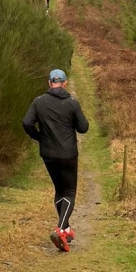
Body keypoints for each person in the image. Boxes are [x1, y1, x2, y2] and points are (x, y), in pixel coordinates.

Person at [22, 69, 89, 252]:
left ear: (49, 82)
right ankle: (61, 229)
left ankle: (65, 229)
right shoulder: (71, 103)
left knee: (59, 190)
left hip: (49, 155)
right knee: (69, 192)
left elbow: (27, 123)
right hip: (68, 155)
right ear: (65, 83)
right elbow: (83, 128)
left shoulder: (38, 102)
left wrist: (39, 137)